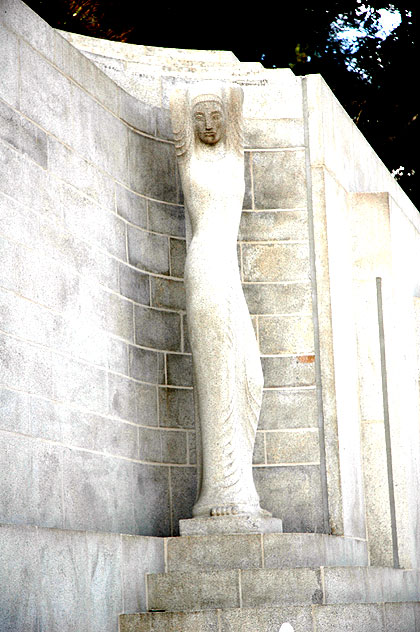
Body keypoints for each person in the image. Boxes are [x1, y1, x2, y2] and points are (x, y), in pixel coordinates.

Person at [170, 81, 268, 519]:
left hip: (227, 272)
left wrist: (223, 99)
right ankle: (218, 493)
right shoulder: (188, 160)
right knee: (217, 378)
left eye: (216, 117)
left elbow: (235, 99)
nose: (209, 124)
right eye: (199, 119)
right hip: (205, 267)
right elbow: (175, 99)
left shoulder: (234, 156)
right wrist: (189, 102)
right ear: (189, 128)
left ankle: (238, 485)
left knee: (250, 379)